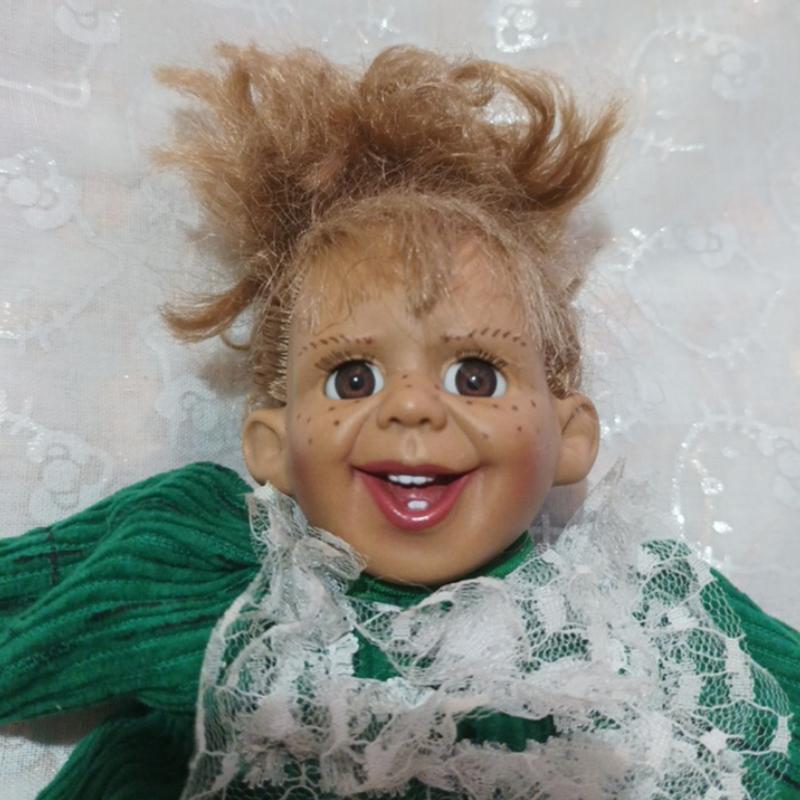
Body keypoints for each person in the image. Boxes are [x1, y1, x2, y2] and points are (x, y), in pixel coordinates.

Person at [1, 45, 798, 799]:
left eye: (475, 376)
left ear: (571, 436)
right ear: (273, 446)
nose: (412, 406)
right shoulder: (227, 602)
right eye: (353, 379)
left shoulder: (649, 614)